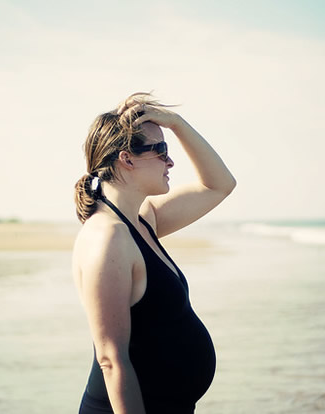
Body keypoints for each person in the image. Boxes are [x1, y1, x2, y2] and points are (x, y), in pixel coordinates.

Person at [73, 92, 236, 414]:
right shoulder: (107, 238)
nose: (171, 162)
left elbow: (220, 185)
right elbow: (111, 359)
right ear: (127, 159)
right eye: (161, 151)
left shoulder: (141, 221)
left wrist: (176, 124)